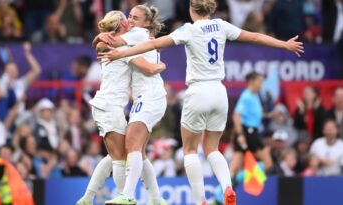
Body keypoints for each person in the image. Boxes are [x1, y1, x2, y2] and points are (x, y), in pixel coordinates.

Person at [98, 0, 303, 204]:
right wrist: (284, 44)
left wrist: (121, 53)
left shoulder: (189, 29)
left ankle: (201, 200)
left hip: (198, 91)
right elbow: (255, 36)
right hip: (219, 92)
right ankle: (227, 187)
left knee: (190, 150)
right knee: (212, 148)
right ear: (210, 9)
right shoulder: (222, 25)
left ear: (191, 9)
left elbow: (153, 43)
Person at [76, 9, 166, 205]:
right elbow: (148, 67)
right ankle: (125, 196)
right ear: (120, 25)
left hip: (108, 106)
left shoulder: (112, 44)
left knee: (127, 153)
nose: (130, 22)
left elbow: (99, 44)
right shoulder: (122, 51)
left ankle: (88, 198)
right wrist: (161, 66)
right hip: (109, 106)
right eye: (127, 19)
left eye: (134, 18)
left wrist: (99, 37)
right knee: (120, 158)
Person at [231, 72, 273, 176]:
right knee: (268, 163)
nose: (261, 84)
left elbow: (252, 114)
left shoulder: (255, 95)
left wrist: (268, 115)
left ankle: (229, 185)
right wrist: (240, 135)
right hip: (247, 133)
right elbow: (236, 115)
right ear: (251, 82)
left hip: (249, 132)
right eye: (259, 81)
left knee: (234, 167)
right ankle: (239, 178)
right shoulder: (247, 96)